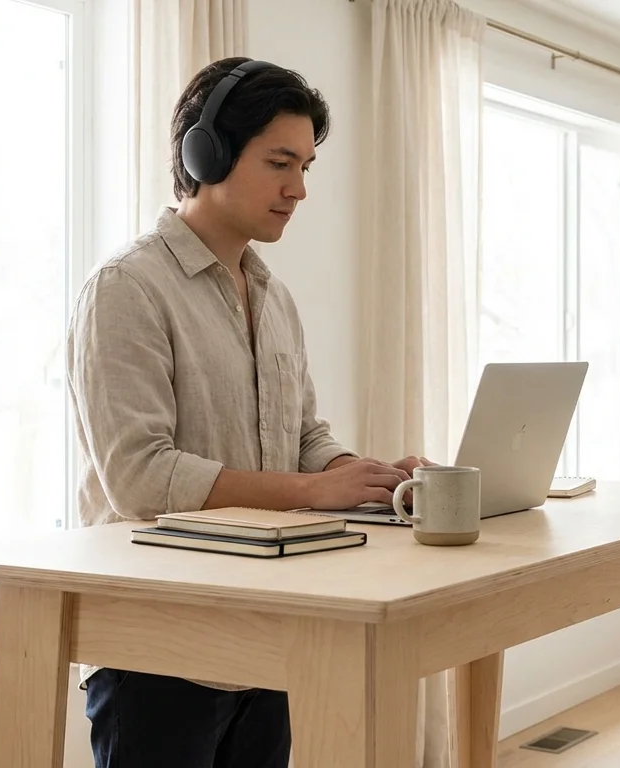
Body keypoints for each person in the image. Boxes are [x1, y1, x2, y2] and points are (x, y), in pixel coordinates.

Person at [66, 57, 429, 768]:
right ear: (207, 153)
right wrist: (310, 491)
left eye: (308, 167)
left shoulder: (273, 296)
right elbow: (139, 478)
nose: (299, 190)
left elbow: (302, 437)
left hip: (268, 623)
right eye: (280, 163)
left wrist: (368, 475)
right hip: (158, 641)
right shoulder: (126, 288)